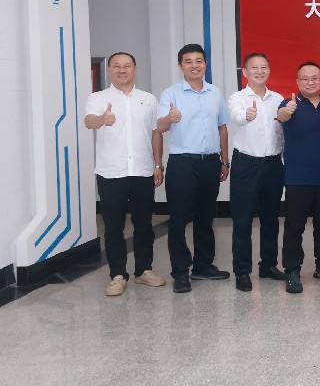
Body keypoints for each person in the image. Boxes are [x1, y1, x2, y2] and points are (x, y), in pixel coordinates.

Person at [84, 51, 166, 296]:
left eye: (127, 66)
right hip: (111, 173)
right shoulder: (98, 98)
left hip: (142, 170)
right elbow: (89, 121)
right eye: (117, 66)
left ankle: (144, 270)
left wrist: (158, 164)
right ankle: (117, 274)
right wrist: (102, 119)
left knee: (144, 225)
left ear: (135, 69)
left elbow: (156, 133)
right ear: (109, 70)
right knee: (113, 227)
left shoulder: (148, 99)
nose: (122, 70)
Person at [157, 43, 231, 293]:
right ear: (181, 66)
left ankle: (203, 266)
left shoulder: (215, 92)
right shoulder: (171, 93)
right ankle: (180, 272)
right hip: (182, 163)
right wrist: (169, 118)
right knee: (178, 219)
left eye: (199, 61)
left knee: (205, 217)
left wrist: (224, 160)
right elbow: (160, 127)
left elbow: (222, 127)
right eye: (188, 61)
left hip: (210, 162)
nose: (194, 65)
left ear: (205, 64)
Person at [277, 61, 320, 294]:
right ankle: (292, 270)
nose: (310, 82)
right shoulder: (289, 104)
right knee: (294, 227)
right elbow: (281, 116)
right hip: (297, 179)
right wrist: (287, 111)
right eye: (305, 79)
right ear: (297, 82)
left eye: (314, 78)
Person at [226, 52, 286, 292]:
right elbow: (235, 116)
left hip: (273, 165)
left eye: (264, 67)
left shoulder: (278, 99)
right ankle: (242, 271)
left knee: (271, 218)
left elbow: (281, 133)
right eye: (254, 68)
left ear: (269, 70)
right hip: (246, 164)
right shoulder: (237, 98)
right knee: (242, 220)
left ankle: (268, 265)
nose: (259, 72)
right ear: (245, 72)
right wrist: (245, 115)